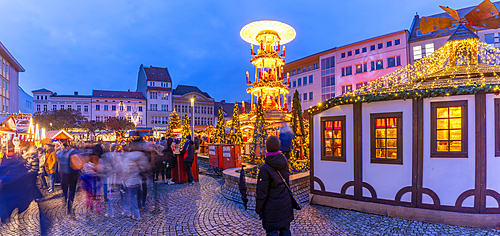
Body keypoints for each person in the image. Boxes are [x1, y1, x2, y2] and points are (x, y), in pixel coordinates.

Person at [256, 136, 294, 236]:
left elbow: (261, 192)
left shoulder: (265, 169)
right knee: (285, 229)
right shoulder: (284, 162)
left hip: (271, 207)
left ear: (267, 147)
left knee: (272, 232)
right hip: (285, 203)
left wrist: (259, 209)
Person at [58, 144, 80, 215]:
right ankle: (70, 200)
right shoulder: (74, 153)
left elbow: (58, 157)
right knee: (72, 189)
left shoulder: (64, 153)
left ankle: (67, 199)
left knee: (66, 187)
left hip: (67, 174)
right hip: (72, 174)